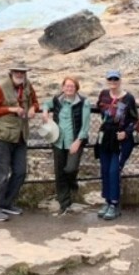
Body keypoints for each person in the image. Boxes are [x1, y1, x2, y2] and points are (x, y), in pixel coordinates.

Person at [0, 62, 39, 222]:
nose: (20, 74)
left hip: (20, 136)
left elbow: (35, 102)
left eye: (22, 72)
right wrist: (10, 109)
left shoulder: (27, 86)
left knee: (20, 172)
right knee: (0, 175)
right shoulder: (1, 87)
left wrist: (33, 109)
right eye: (17, 71)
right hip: (2, 137)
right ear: (11, 72)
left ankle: (6, 203)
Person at [42, 76, 91, 215]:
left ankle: (73, 184)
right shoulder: (58, 99)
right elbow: (46, 104)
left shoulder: (83, 102)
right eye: (67, 86)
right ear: (63, 87)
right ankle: (64, 202)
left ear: (76, 88)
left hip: (74, 141)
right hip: (58, 140)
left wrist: (78, 141)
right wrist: (45, 112)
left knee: (70, 169)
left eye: (72, 86)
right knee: (59, 172)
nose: (69, 88)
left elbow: (85, 125)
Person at [93, 70, 138, 220]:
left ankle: (114, 203)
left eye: (115, 79)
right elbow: (99, 109)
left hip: (121, 139)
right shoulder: (104, 94)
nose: (113, 82)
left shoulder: (128, 98)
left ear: (120, 80)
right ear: (107, 80)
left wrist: (126, 132)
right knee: (105, 169)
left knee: (114, 170)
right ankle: (107, 200)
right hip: (106, 137)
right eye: (110, 79)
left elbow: (135, 120)